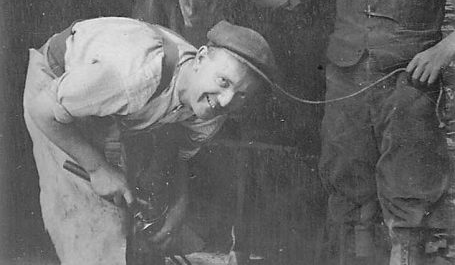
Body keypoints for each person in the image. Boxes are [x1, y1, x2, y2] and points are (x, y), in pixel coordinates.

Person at [235, 0, 455, 265]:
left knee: (407, 193)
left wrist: (443, 52)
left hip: (408, 89)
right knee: (349, 193)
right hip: (346, 87)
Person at [23, 17, 276, 265]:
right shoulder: (137, 74)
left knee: (138, 207)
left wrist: (178, 205)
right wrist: (97, 168)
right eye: (224, 81)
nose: (225, 100)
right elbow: (43, 110)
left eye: (241, 95)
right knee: (98, 230)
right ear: (200, 58)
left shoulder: (213, 106)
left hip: (114, 109)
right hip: (57, 91)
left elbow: (178, 152)